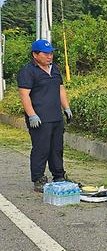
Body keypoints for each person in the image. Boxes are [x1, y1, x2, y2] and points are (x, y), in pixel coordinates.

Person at [17, 39, 73, 192]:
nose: (50, 56)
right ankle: (38, 179)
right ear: (35, 55)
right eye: (46, 53)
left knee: (56, 148)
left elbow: (61, 89)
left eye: (51, 53)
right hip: (40, 118)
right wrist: (32, 115)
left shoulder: (54, 69)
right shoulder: (27, 71)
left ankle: (59, 175)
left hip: (55, 116)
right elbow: (24, 95)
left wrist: (66, 108)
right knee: (41, 149)